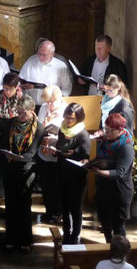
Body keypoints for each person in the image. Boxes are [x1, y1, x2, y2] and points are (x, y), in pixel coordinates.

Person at [0, 95, 44, 253]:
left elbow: (32, 153)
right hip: (10, 167)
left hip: (26, 169)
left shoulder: (38, 127)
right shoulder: (11, 123)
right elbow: (4, 142)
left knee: (24, 205)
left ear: (32, 111)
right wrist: (7, 153)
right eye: (18, 112)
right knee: (10, 205)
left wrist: (18, 157)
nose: (20, 116)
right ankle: (10, 238)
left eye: (23, 113)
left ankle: (25, 240)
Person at [89, 113, 134, 243]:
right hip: (104, 188)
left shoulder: (126, 147)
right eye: (105, 129)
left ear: (120, 129)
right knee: (104, 221)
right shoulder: (105, 141)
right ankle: (109, 247)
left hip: (119, 190)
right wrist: (89, 162)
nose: (107, 133)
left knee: (118, 227)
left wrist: (98, 172)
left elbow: (119, 172)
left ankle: (121, 256)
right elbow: (100, 159)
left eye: (110, 130)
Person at [54, 103, 90, 244]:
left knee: (75, 206)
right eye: (66, 117)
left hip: (77, 175)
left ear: (78, 118)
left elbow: (86, 157)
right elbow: (59, 146)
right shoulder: (62, 130)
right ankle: (66, 233)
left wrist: (73, 154)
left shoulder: (82, 134)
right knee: (64, 205)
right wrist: (56, 152)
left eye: (71, 118)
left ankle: (75, 236)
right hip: (63, 171)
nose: (68, 121)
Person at [36, 86, 67, 224]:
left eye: (51, 102)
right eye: (47, 101)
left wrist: (54, 138)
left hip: (57, 151)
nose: (49, 104)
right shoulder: (43, 108)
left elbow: (68, 132)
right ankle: (49, 211)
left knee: (56, 184)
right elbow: (39, 127)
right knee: (45, 184)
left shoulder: (66, 109)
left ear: (58, 99)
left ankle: (57, 212)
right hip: (43, 151)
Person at [19, 40, 73, 107]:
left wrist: (57, 98)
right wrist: (22, 86)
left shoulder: (60, 66)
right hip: (30, 105)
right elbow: (19, 80)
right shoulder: (31, 61)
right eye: (39, 53)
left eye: (44, 55)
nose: (40, 57)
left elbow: (67, 87)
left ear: (52, 54)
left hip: (50, 106)